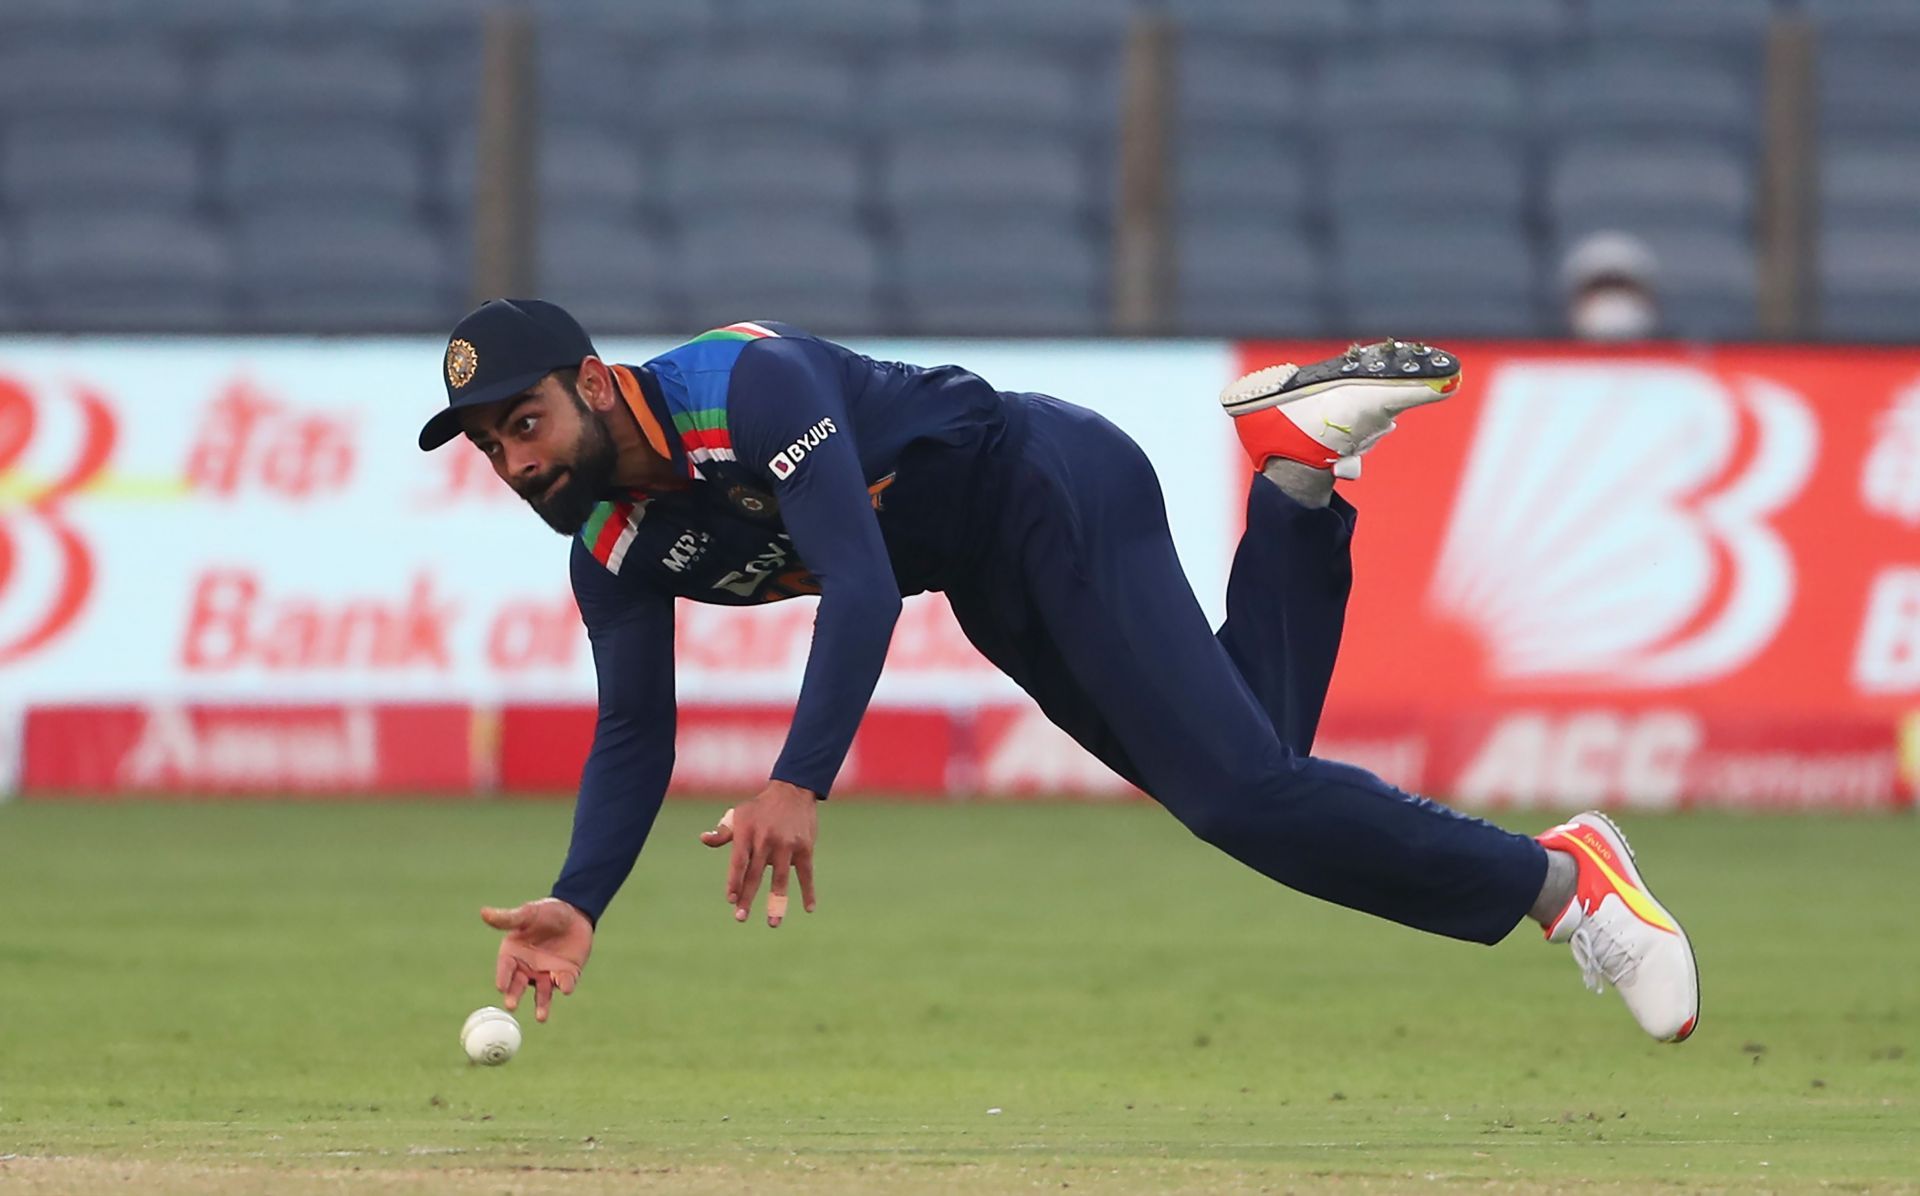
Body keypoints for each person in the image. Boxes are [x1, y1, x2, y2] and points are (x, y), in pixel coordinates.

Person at [419, 299, 1700, 1042]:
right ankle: (1300, 468)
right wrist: (582, 894)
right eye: (489, 446)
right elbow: (635, 732)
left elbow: (858, 584)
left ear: (593, 381)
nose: (517, 461)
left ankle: (1560, 883)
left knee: (1247, 792)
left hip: (1044, 484)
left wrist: (797, 780)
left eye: (525, 422)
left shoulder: (746, 387)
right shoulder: (607, 542)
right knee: (1258, 772)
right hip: (989, 576)